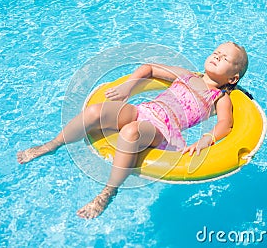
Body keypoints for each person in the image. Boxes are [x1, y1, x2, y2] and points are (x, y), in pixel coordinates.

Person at [17, 42, 248, 219]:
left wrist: (207, 139)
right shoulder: (186, 74)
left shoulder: (220, 98)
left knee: (131, 132)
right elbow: (148, 68)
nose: (217, 56)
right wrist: (129, 85)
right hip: (144, 110)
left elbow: (225, 125)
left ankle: (107, 192)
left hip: (164, 129)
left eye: (226, 58)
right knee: (95, 112)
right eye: (216, 52)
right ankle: (53, 144)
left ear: (233, 77)